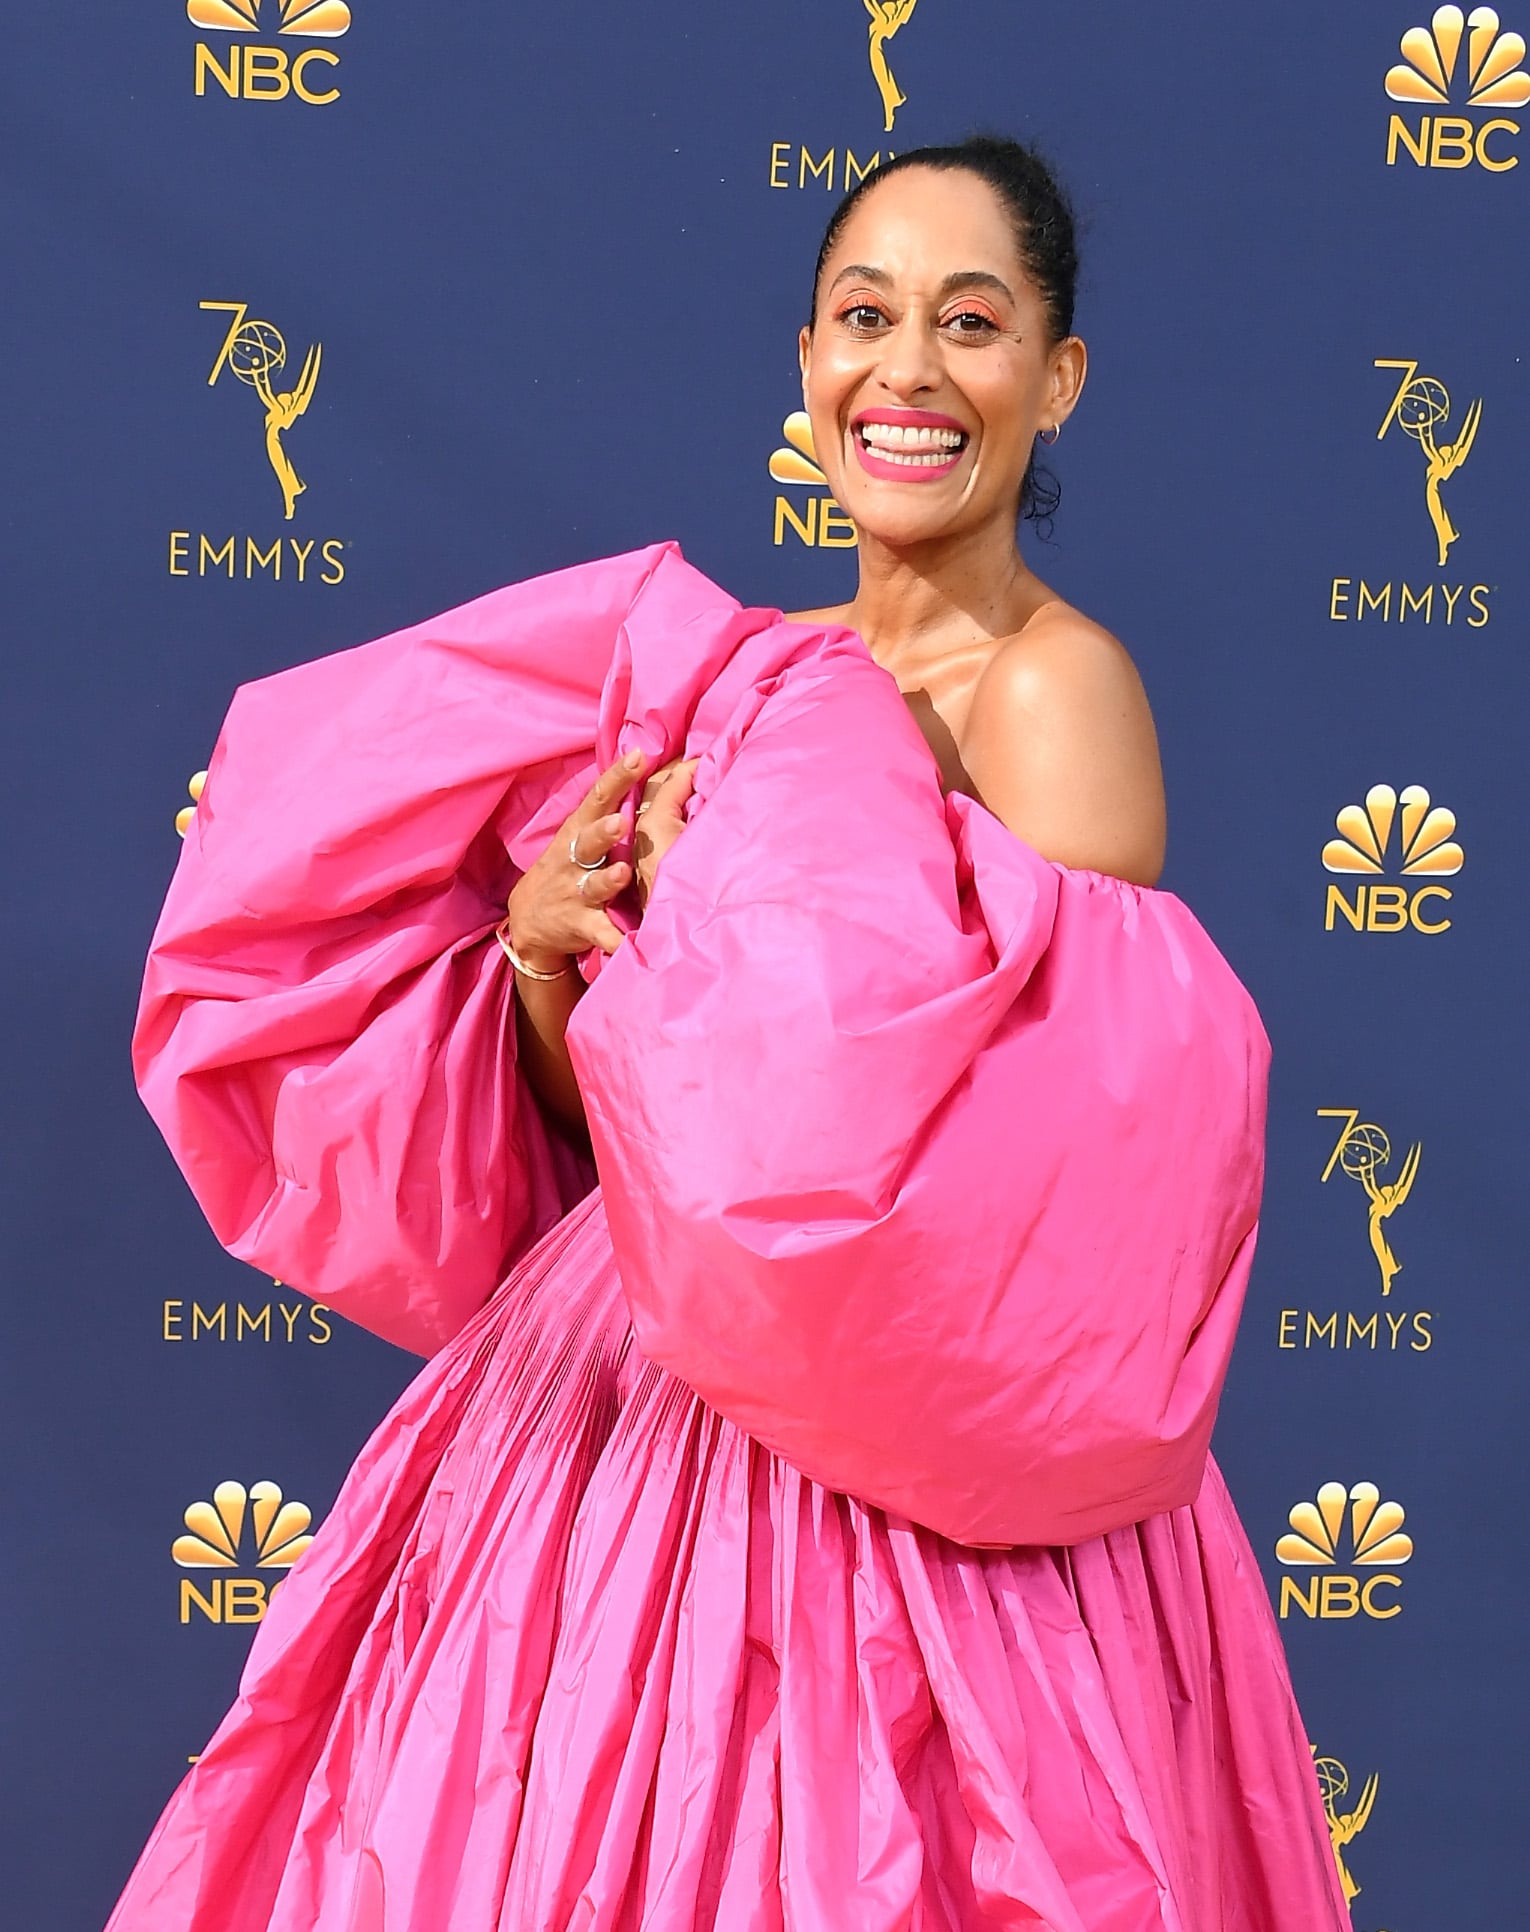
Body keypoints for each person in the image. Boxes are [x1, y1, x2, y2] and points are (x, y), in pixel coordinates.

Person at [107, 138, 1350, 1930]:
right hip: (614, 1424)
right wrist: (545, 962)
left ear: (1055, 379)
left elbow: (1075, 1150)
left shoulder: (1050, 688)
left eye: (971, 323)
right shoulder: (741, 676)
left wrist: (714, 950)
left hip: (920, 1485)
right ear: (805, 363)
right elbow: (629, 1128)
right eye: (864, 317)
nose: (906, 372)